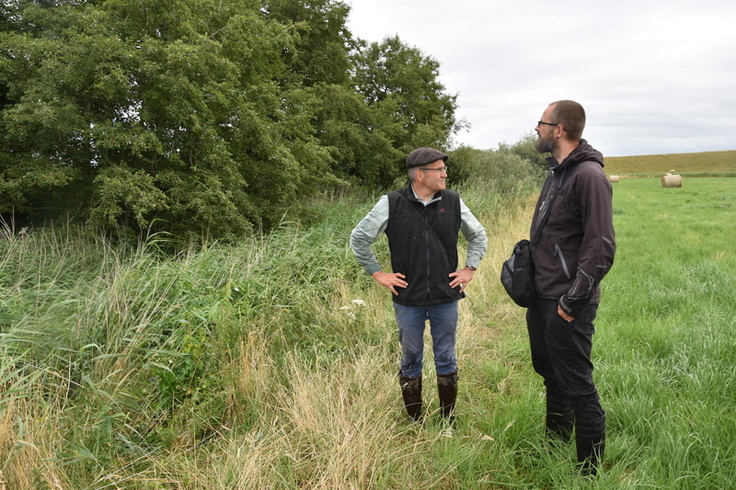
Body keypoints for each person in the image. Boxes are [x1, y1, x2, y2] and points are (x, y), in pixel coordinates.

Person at [350, 147, 487, 423]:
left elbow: (479, 235)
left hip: (445, 296)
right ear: (419, 174)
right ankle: (415, 421)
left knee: (446, 357)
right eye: (439, 170)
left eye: (443, 169)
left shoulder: (453, 201)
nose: (445, 174)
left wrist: (470, 268)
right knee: (411, 357)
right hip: (407, 298)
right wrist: (379, 274)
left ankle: (447, 421)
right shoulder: (391, 203)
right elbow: (359, 238)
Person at [527, 100, 616, 477]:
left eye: (541, 123)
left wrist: (572, 300)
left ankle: (588, 472)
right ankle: (555, 442)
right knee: (551, 373)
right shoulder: (557, 173)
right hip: (544, 295)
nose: (536, 129)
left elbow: (601, 245)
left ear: (558, 129)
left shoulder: (588, 176)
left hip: (567, 300)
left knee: (578, 384)